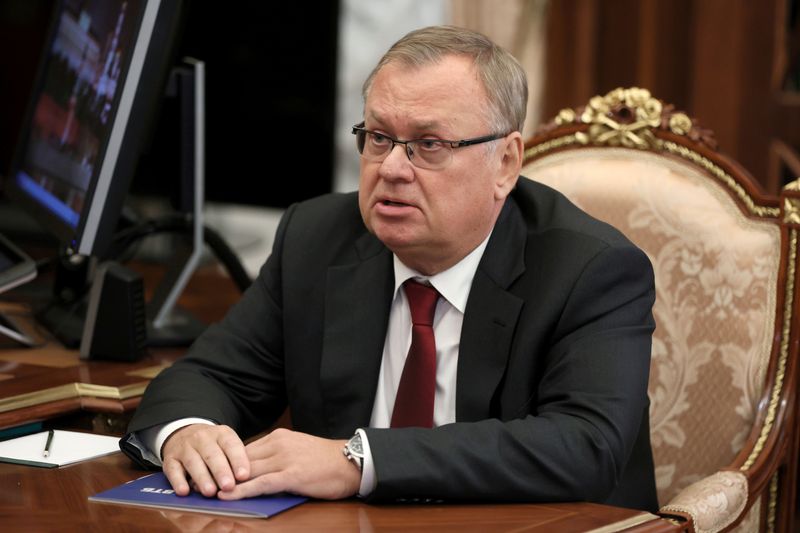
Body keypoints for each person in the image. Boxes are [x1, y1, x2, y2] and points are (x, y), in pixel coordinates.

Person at [121, 25, 658, 511]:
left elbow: (584, 445)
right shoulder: (317, 238)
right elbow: (211, 376)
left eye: (429, 144)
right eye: (379, 138)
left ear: (506, 163)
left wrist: (358, 460)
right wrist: (187, 433)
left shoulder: (590, 269)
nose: (393, 169)